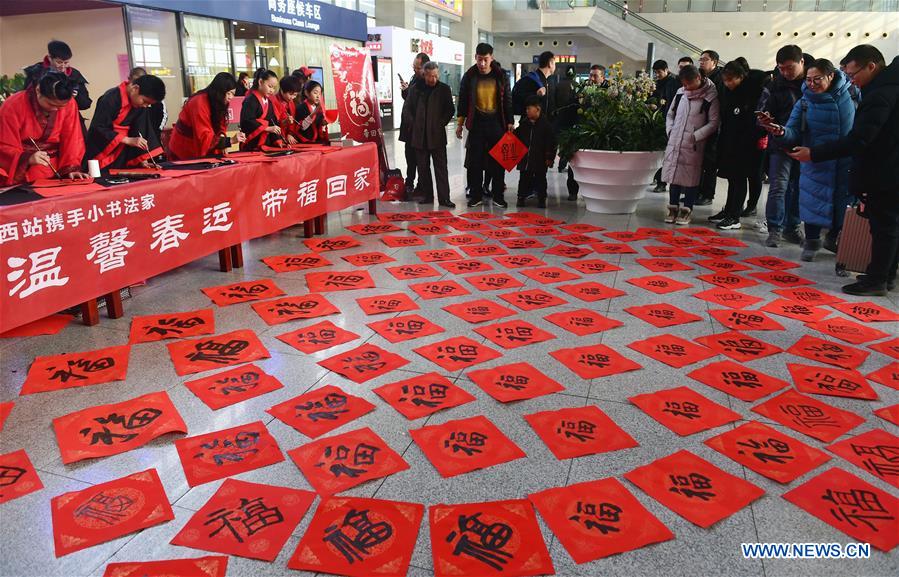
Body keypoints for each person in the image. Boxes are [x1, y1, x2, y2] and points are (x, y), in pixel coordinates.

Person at [788, 45, 899, 296]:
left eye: (853, 73)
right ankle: (885, 274)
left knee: (884, 226)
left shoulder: (880, 94)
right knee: (889, 225)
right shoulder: (886, 88)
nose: (851, 79)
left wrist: (813, 153)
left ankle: (877, 279)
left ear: (871, 66)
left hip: (884, 171)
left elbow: (859, 139)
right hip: (885, 168)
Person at [763, 59, 854, 263]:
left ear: (831, 76)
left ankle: (833, 238)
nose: (812, 84)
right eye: (809, 80)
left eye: (817, 79)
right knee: (813, 202)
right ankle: (812, 241)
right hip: (814, 160)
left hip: (843, 162)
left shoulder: (851, 95)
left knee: (842, 204)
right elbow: (793, 131)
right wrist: (780, 131)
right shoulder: (804, 101)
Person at [756, 45, 811, 247]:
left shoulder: (813, 82)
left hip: (806, 145)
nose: (786, 72)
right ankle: (775, 229)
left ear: (802, 62)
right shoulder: (774, 85)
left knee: (799, 188)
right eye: (781, 68)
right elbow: (761, 110)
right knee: (778, 187)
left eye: (790, 67)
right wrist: (765, 120)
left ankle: (793, 227)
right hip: (780, 144)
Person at [710, 58, 769, 230]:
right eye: (725, 80)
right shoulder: (730, 93)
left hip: (747, 145)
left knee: (739, 179)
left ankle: (734, 216)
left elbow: (755, 123)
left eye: (731, 80)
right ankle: (728, 210)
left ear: (741, 77)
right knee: (731, 179)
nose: (727, 84)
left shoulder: (753, 93)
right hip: (730, 141)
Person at [0, 71, 88, 185]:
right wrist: (27, 158)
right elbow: (4, 145)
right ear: (38, 90)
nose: (56, 110)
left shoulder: (70, 103)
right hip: (24, 171)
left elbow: (73, 139)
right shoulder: (12, 105)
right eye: (51, 104)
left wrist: (71, 168)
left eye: (61, 106)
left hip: (56, 168)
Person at [457, 43, 514, 209]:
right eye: (479, 59)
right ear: (475, 57)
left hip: (496, 123)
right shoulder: (469, 76)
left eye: (485, 60)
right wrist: (460, 124)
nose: (482, 63)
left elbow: (507, 100)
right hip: (477, 123)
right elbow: (462, 101)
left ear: (492, 58)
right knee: (474, 163)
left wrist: (510, 121)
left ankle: (498, 195)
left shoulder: (500, 75)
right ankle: (475, 196)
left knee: (498, 161)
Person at [661, 65, 720, 225]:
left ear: (698, 78)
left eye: (689, 84)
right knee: (673, 174)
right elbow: (670, 113)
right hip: (675, 140)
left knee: (690, 178)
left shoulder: (710, 96)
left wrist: (696, 136)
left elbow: (714, 122)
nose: (686, 87)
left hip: (693, 144)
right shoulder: (681, 93)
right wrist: (670, 130)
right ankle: (673, 207)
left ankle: (687, 209)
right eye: (684, 84)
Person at [402, 61, 456, 208]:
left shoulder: (444, 89)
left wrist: (441, 123)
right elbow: (407, 110)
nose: (433, 79)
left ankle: (445, 198)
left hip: (437, 135)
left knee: (441, 168)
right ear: (424, 75)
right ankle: (427, 196)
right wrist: (414, 124)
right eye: (430, 76)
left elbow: (450, 110)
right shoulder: (415, 89)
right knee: (423, 168)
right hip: (419, 137)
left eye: (435, 76)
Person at [86, 74, 166, 170]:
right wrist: (127, 140)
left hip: (123, 151)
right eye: (145, 101)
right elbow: (98, 128)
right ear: (135, 88)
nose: (145, 106)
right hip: (103, 148)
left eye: (148, 104)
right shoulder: (110, 99)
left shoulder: (139, 104)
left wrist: (142, 159)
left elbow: (140, 130)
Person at [168, 72, 246, 160]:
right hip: (184, 149)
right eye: (228, 93)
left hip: (198, 145)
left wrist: (223, 139)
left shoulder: (217, 101)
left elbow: (220, 124)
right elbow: (204, 136)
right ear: (219, 91)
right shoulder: (199, 102)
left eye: (233, 94)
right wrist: (229, 141)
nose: (231, 97)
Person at [23, 40, 91, 112]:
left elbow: (86, 104)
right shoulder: (36, 72)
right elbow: (26, 99)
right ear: (49, 58)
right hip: (39, 115)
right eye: (59, 62)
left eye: (66, 62)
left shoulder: (74, 75)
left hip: (68, 116)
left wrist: (76, 96)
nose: (63, 66)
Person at [514, 95, 556, 208]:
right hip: (525, 159)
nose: (527, 111)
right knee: (523, 178)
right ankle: (521, 197)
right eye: (526, 109)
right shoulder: (524, 124)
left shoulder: (546, 125)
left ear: (537, 109)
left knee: (540, 179)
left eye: (529, 108)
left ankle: (541, 199)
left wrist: (549, 158)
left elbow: (551, 143)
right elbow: (516, 136)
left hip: (540, 159)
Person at [399, 52, 430, 198]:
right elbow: (409, 101)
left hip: (420, 129)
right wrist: (406, 91)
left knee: (421, 160)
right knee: (410, 158)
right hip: (409, 128)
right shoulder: (414, 79)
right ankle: (409, 183)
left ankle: (421, 185)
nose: (414, 70)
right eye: (414, 67)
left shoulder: (427, 82)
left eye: (417, 67)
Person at [695, 49, 724, 206]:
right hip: (701, 123)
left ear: (714, 62)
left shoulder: (719, 78)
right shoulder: (701, 76)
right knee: (700, 160)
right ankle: (697, 191)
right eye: (700, 59)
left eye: (705, 59)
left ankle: (708, 194)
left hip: (714, 124)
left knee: (710, 162)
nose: (701, 62)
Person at [651, 59, 681, 193]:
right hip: (657, 121)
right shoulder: (657, 83)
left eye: (659, 72)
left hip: (669, 122)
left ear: (666, 70)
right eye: (655, 72)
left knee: (666, 154)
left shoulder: (673, 83)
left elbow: (670, 103)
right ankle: (658, 179)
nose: (657, 74)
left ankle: (662, 183)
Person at [239, 69, 284, 151]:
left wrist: (277, 140)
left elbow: (273, 122)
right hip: (251, 144)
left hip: (265, 144)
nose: (272, 90)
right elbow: (246, 121)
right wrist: (266, 128)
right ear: (260, 82)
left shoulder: (269, 102)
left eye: (273, 88)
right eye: (269, 86)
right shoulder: (250, 100)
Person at [128, 67, 167, 142]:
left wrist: (156, 130)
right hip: (134, 138)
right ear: (129, 79)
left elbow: (163, 115)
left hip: (153, 135)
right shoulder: (127, 98)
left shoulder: (154, 96)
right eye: (135, 80)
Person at [512, 51, 556, 117]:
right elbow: (518, 97)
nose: (555, 66)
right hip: (531, 124)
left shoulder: (543, 80)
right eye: (554, 63)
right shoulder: (531, 79)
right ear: (550, 63)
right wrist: (536, 94)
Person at [554, 66, 578, 172]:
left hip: (560, 117)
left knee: (561, 141)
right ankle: (564, 164)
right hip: (571, 119)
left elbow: (554, 101)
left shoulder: (559, 85)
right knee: (568, 142)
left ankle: (558, 163)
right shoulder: (576, 85)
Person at [295, 80, 331, 145]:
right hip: (306, 141)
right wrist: (314, 112)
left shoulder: (319, 108)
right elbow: (302, 127)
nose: (318, 96)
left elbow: (319, 125)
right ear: (306, 93)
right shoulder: (301, 107)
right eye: (315, 93)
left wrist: (323, 123)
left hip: (317, 141)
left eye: (320, 94)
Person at [271, 75, 302, 145]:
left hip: (287, 137)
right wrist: (285, 122)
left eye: (295, 95)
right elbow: (272, 123)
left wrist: (290, 133)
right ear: (282, 90)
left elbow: (292, 122)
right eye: (290, 94)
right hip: (276, 137)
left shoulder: (291, 102)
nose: (292, 97)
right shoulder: (273, 101)